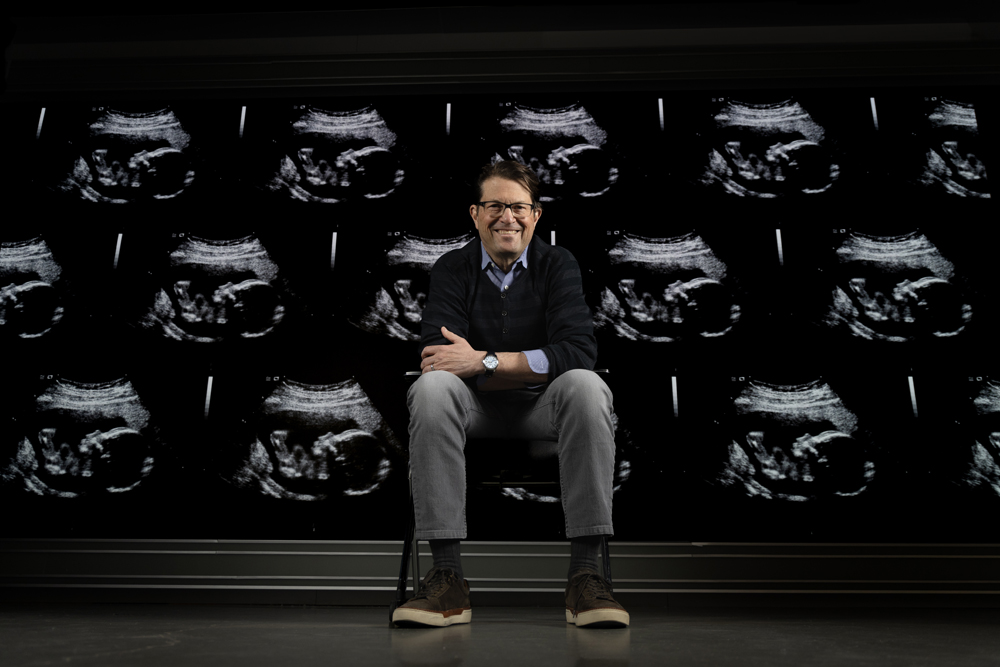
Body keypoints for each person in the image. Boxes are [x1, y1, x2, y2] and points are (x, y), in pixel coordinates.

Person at [392, 160, 628, 629]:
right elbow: (438, 356)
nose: (508, 217)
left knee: (586, 385)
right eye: (496, 206)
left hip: (541, 410)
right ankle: (447, 579)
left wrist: (486, 361)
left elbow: (578, 353)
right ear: (475, 214)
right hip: (473, 409)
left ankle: (586, 577)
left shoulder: (557, 263)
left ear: (536, 215)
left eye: (518, 207)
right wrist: (532, 365)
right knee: (432, 387)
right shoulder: (451, 267)